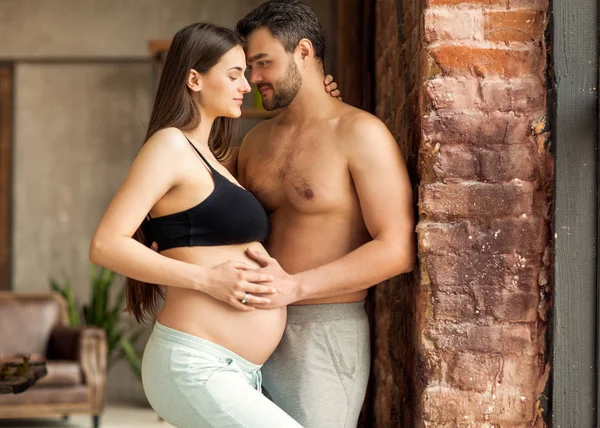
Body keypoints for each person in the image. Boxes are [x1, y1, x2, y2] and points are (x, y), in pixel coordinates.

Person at [89, 22, 338, 428]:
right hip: (195, 364)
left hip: (234, 371)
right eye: (234, 74)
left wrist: (317, 108)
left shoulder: (213, 158)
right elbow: (106, 244)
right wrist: (208, 281)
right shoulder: (169, 145)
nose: (247, 85)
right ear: (194, 78)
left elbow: (282, 154)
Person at [231, 1, 416, 427]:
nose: (254, 77)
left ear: (304, 51)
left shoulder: (360, 134)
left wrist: (294, 287)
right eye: (249, 66)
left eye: (263, 63)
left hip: (323, 332)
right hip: (249, 327)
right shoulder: (255, 142)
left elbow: (397, 248)